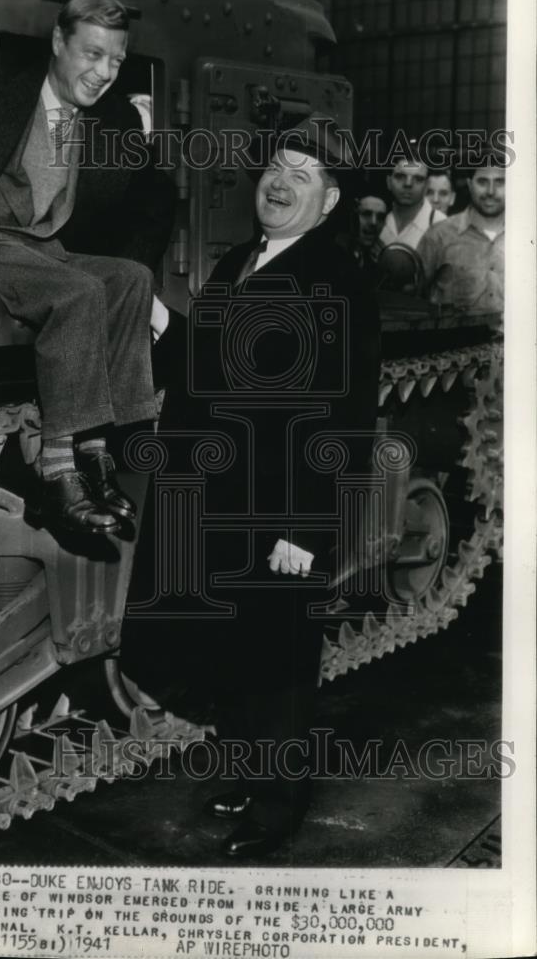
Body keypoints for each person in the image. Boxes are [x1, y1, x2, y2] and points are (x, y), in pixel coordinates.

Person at [122, 119, 381, 859]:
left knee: (275, 665)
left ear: (327, 201)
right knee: (232, 651)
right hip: (213, 498)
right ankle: (244, 775)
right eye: (276, 165)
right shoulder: (242, 259)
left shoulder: (336, 282)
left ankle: (276, 810)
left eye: (302, 175)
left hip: (276, 508)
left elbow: (344, 416)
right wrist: (159, 317)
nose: (279, 181)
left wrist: (303, 528)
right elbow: (204, 370)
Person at [0, 0, 175, 534]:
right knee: (79, 293)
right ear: (58, 42)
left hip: (50, 250)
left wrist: (131, 276)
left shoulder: (115, 116)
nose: (103, 73)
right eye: (92, 55)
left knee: (129, 279)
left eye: (116, 61)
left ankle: (96, 450)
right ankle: (57, 471)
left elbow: (155, 194)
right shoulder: (4, 96)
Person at [416, 154, 505, 318]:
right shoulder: (438, 236)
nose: (491, 191)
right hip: (453, 342)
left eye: (500, 182)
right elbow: (412, 302)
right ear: (470, 185)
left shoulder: (527, 237)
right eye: (482, 182)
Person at [380, 157, 445, 249]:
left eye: (418, 179)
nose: (408, 184)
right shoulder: (376, 218)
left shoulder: (440, 224)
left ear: (427, 186)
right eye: (400, 177)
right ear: (389, 182)